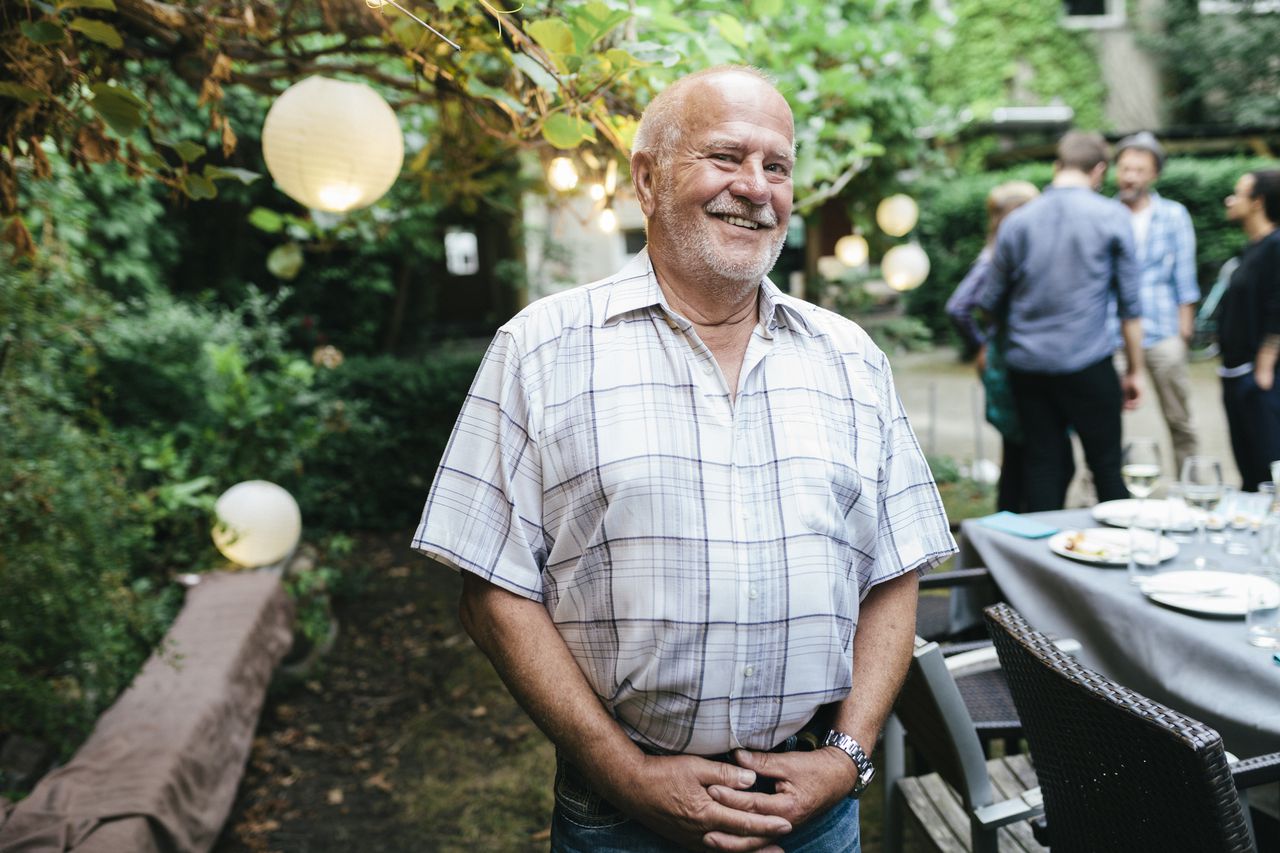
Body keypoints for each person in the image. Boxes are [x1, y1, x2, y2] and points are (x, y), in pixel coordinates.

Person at [412, 66, 957, 852]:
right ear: (647, 177)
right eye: (726, 156)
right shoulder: (540, 349)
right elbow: (492, 591)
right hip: (620, 811)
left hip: (812, 808)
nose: (756, 187)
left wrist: (847, 757)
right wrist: (622, 771)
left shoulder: (850, 357)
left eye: (777, 166)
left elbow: (895, 571)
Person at [977, 130, 1144, 511]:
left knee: (1043, 465)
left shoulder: (1017, 222)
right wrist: (1135, 371)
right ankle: (1119, 562)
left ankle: (1039, 566)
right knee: (1106, 466)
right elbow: (1130, 307)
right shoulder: (1113, 216)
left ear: (1057, 166)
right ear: (1099, 170)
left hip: (1028, 367)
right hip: (1089, 363)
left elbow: (990, 302)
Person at [946, 180, 1074, 512]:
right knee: (1034, 455)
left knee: (1022, 454)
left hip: (1013, 360)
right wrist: (983, 344)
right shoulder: (995, 258)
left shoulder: (1006, 251)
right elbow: (958, 306)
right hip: (1011, 364)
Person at [1112, 131, 1201, 476]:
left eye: (1139, 169)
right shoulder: (1104, 213)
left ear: (1154, 175)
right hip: (1114, 334)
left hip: (1163, 330)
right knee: (1104, 423)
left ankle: (1191, 486)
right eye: (1125, 168)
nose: (1130, 176)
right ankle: (1098, 497)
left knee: (1180, 418)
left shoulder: (1174, 215)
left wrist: (1184, 331)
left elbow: (1185, 276)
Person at [1219, 168, 1280, 491]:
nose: (1230, 200)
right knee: (1250, 472)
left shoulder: (1276, 245)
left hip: (1259, 380)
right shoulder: (1254, 248)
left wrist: (1265, 364)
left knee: (1267, 471)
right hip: (1237, 374)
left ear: (1258, 202)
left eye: (1238, 194)